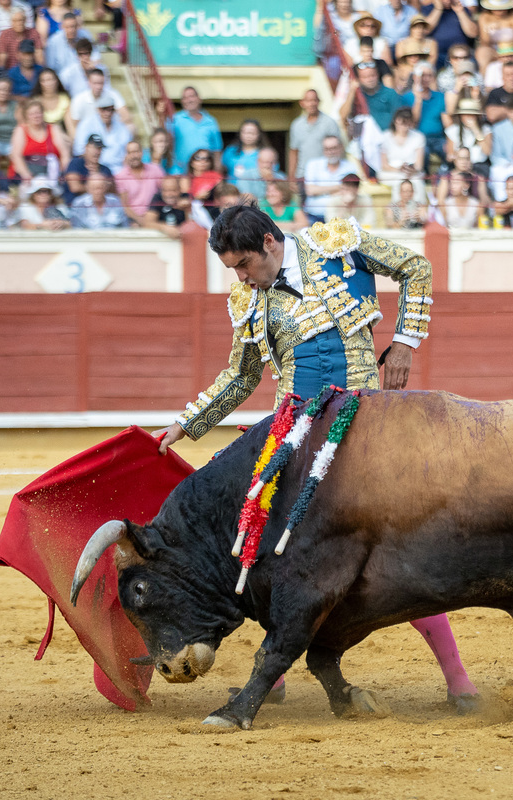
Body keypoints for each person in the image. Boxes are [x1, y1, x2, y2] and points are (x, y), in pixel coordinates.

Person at [151, 203, 479, 707]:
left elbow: (416, 267)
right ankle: (274, 679)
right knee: (256, 540)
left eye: (243, 265)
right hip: (295, 436)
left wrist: (406, 341)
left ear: (268, 243)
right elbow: (240, 377)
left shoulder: (337, 246)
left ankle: (460, 681)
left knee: (398, 553)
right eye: (232, 270)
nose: (240, 278)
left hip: (365, 426)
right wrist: (185, 424)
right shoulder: (249, 300)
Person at [287, 89, 340, 188]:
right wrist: (291, 177)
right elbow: (294, 152)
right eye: (308, 101)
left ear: (318, 102)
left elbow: (338, 149)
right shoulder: (296, 125)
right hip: (302, 175)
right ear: (302, 103)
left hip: (324, 175)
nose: (311, 104)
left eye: (314, 100)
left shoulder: (329, 123)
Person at [10, 98, 69, 186]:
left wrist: (61, 172)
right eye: (32, 114)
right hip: (28, 173)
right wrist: (26, 175)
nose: (36, 116)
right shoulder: (21, 130)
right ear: (26, 116)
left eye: (38, 113)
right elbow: (16, 156)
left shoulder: (53, 128)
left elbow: (65, 154)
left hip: (52, 172)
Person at [72, 95, 130, 172]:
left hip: (118, 169)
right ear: (98, 109)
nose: (108, 113)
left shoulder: (122, 128)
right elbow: (79, 150)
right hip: (94, 168)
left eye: (111, 110)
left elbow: (128, 152)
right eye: (104, 109)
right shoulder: (86, 124)